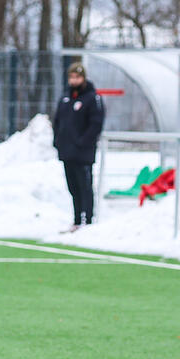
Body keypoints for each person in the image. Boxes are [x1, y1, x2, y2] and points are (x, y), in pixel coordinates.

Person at [52, 62, 105, 233]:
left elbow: (95, 124)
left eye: (77, 77)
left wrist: (83, 142)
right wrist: (58, 141)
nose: (74, 81)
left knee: (85, 186)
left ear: (83, 78)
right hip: (67, 151)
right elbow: (58, 121)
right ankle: (76, 220)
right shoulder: (66, 97)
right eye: (72, 77)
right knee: (73, 187)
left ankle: (87, 220)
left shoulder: (92, 98)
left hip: (83, 153)